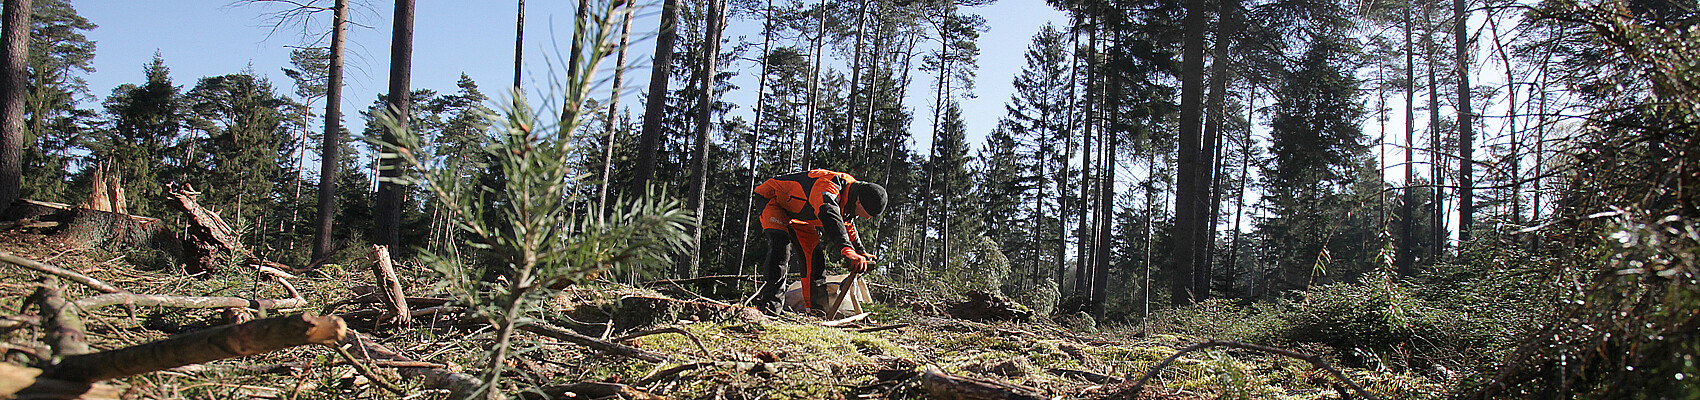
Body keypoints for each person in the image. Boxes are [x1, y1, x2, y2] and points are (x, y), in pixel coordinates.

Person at [750, 169, 886, 314]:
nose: (867, 218)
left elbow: (846, 223)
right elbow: (830, 214)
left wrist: (860, 251)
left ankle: (817, 311)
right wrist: (847, 249)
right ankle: (770, 309)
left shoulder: (853, 192)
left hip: (800, 215)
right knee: (780, 249)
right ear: (859, 201)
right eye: (868, 214)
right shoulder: (828, 188)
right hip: (773, 200)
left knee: (814, 259)